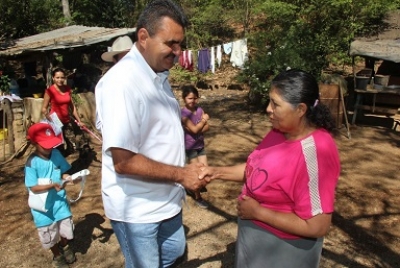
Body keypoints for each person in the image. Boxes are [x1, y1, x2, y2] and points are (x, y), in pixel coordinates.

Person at [95, 1, 206, 267]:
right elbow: (124, 162)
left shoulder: (158, 75)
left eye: (180, 44)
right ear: (143, 37)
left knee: (174, 251)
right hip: (137, 209)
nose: (178, 52)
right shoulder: (121, 84)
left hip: (167, 200)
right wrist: (182, 174)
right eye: (171, 43)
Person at [199, 69, 341, 268]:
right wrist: (216, 172)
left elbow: (317, 225)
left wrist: (258, 213)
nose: (268, 109)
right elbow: (257, 172)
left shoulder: (315, 153)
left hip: (285, 249)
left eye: (276, 104)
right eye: (269, 101)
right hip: (256, 238)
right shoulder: (279, 131)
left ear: (300, 109)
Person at [24, 122, 78, 268]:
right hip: (43, 207)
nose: (49, 148)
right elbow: (33, 187)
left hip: (59, 201)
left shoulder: (56, 154)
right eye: (44, 145)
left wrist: (67, 177)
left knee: (65, 226)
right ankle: (57, 255)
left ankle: (65, 246)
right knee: (49, 231)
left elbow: (63, 171)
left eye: (51, 144)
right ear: (34, 143)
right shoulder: (31, 163)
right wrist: (52, 185)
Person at [41, 67, 85, 156]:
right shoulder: (50, 91)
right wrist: (48, 116)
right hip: (55, 121)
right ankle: (61, 165)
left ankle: (73, 164)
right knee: (59, 146)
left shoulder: (67, 89)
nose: (60, 80)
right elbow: (44, 108)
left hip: (66, 120)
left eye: (62, 77)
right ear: (53, 78)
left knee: (72, 144)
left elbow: (72, 107)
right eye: (57, 77)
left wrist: (79, 121)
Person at [180, 85, 210, 208]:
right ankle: (197, 197)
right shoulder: (183, 114)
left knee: (205, 169)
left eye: (195, 98)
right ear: (184, 99)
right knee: (196, 172)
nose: (193, 101)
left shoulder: (199, 110)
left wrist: (200, 127)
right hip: (190, 146)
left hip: (200, 145)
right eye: (189, 98)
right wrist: (203, 121)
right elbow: (195, 130)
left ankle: (191, 187)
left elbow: (208, 127)